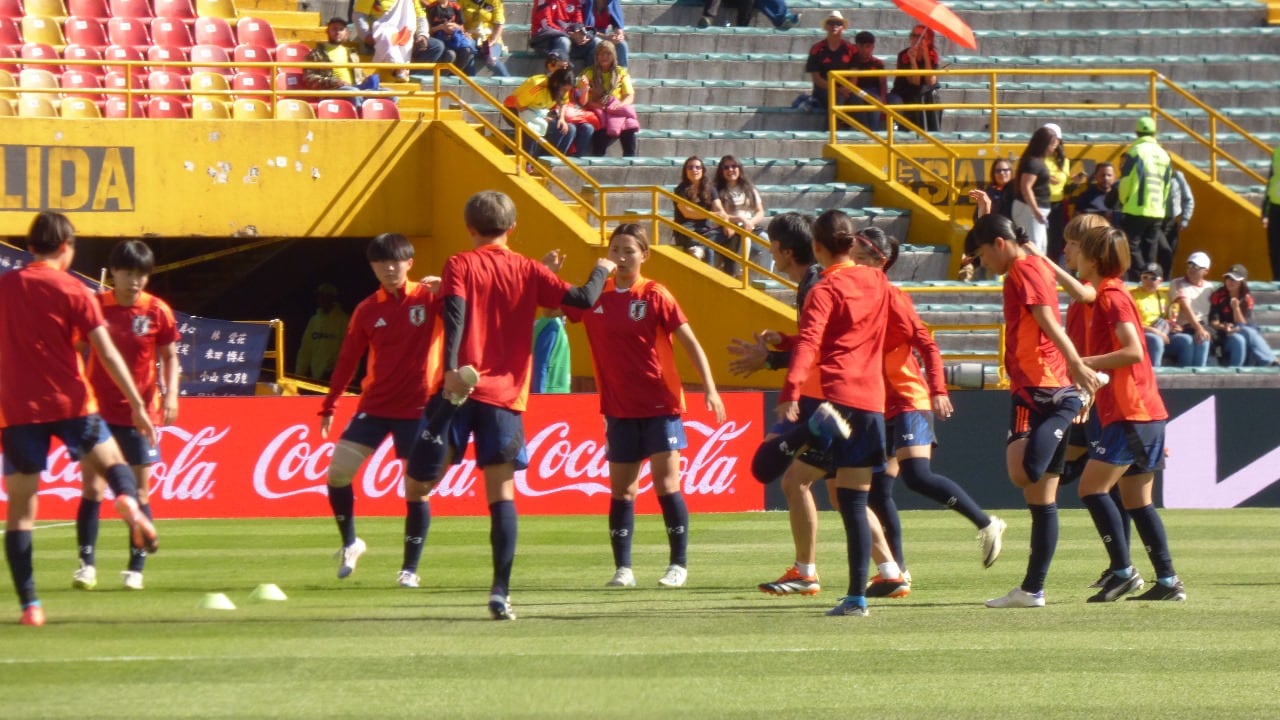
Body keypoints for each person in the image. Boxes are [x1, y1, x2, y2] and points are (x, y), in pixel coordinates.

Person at [403, 190, 615, 620]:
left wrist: (451, 371)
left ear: (469, 228)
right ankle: (500, 590)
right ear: (512, 228)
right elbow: (580, 301)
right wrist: (602, 268)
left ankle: (409, 566)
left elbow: (458, 313)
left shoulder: (460, 262)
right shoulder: (528, 268)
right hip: (503, 396)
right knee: (500, 494)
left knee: (421, 485)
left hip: (461, 386)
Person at [0, 212, 158, 627]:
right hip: (72, 402)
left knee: (20, 514)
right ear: (67, 245)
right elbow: (106, 352)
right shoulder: (76, 290)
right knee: (113, 464)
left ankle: (30, 605)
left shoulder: (5, 287)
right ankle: (125, 498)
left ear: (31, 245)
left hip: (16, 411)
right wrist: (138, 405)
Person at [562, 224, 725, 588]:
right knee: (622, 491)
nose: (621, 256)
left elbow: (690, 342)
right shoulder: (595, 295)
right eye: (615, 249)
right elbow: (550, 310)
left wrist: (711, 388)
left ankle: (677, 565)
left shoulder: (655, 294)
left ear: (644, 255)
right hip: (618, 409)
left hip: (660, 404)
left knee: (667, 486)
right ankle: (623, 569)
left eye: (629, 250)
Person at [850, 227, 1007, 596]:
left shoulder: (891, 297)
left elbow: (926, 344)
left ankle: (986, 523)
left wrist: (937, 389)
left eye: (857, 252)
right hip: (878, 403)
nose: (851, 258)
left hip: (907, 398)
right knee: (876, 491)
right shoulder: (858, 295)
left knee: (917, 476)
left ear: (877, 260)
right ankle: (898, 573)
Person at [965, 213, 1100, 608]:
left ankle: (1070, 408)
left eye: (983, 255)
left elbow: (1045, 317)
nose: (984, 264)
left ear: (1001, 244)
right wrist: (986, 211)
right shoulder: (1033, 262)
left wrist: (1074, 362)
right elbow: (1082, 295)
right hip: (1038, 383)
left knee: (1025, 474)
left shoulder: (1023, 270)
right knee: (1039, 496)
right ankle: (1032, 590)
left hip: (1041, 385)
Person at [777, 209, 892, 617]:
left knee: (811, 486)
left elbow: (810, 342)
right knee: (854, 502)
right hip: (872, 402)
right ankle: (861, 592)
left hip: (837, 402)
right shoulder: (878, 280)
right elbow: (908, 327)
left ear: (817, 247)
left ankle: (849, 587)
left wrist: (791, 389)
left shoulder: (824, 289)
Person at [319, 233, 443, 589]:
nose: (389, 268)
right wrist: (330, 404)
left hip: (419, 409)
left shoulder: (430, 296)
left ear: (410, 262)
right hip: (374, 407)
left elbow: (471, 306)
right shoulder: (366, 309)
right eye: (380, 262)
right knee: (338, 473)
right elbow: (347, 360)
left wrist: (449, 285)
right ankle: (351, 542)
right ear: (372, 266)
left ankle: (409, 568)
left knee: (416, 491)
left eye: (396, 260)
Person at [1074, 224, 1186, 602]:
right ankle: (1168, 581)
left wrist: (1081, 361)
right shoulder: (1111, 293)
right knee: (1138, 500)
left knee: (1091, 488)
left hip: (1132, 411)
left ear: (1092, 258)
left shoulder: (1111, 297)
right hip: (1139, 411)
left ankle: (1122, 571)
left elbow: (1134, 350)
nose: (1072, 257)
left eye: (1077, 250)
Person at [74, 240, 180, 593]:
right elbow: (75, 349)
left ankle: (135, 568)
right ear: (114, 272)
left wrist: (171, 395)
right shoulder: (94, 306)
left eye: (141, 275)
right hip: (95, 414)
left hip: (141, 415)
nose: (134, 281)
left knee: (140, 494)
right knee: (93, 488)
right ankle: (86, 565)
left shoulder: (156, 311)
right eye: (128, 273)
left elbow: (170, 357)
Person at [1118, 116, 1172, 281]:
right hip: (1157, 209)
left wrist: (1124, 200)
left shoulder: (1135, 152)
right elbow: (1167, 184)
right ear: (1155, 133)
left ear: (1137, 133)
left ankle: (1141, 277)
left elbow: (1126, 180)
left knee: (1132, 246)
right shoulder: (1164, 155)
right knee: (1151, 247)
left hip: (1135, 207)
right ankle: (1152, 276)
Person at [504, 64, 589, 158]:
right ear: (556, 84)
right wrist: (541, 117)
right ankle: (528, 160)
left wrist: (561, 119)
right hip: (514, 109)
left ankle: (549, 160)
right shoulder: (537, 86)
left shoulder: (562, 87)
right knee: (534, 128)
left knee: (567, 128)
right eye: (564, 90)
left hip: (537, 110)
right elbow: (519, 106)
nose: (565, 93)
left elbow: (564, 102)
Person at [304, 17, 387, 106]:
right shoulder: (316, 54)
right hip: (332, 91)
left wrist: (366, 80)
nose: (337, 32)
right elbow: (309, 79)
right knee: (353, 92)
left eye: (341, 29)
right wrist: (333, 82)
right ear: (327, 31)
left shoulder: (351, 53)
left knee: (388, 93)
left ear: (346, 33)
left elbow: (359, 75)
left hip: (355, 88)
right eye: (334, 29)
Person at [1208, 263, 1279, 367]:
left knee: (1242, 334)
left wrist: (1236, 308)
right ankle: (1270, 360)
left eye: (1234, 279)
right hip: (1224, 336)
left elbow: (1243, 323)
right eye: (1228, 278)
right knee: (1244, 334)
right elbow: (1214, 321)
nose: (1230, 282)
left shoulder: (1246, 298)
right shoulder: (1218, 295)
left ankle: (1265, 362)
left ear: (1242, 282)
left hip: (1242, 333)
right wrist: (1224, 327)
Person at [577, 40, 638, 157]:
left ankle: (630, 161)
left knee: (629, 126)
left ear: (613, 55)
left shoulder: (620, 72)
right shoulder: (588, 73)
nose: (604, 57)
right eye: (601, 54)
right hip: (597, 109)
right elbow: (582, 98)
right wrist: (598, 106)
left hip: (616, 109)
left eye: (608, 54)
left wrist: (620, 105)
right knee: (601, 127)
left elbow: (629, 95)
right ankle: (598, 159)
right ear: (596, 56)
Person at [353, 0, 437, 81]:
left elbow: (420, 17)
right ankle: (399, 69)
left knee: (436, 46)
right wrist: (366, 35)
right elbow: (359, 15)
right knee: (385, 35)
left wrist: (422, 35)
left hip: (404, 33)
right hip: (377, 34)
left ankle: (413, 77)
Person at [672, 155, 730, 270]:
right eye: (690, 167)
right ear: (685, 171)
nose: (694, 170)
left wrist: (726, 222)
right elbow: (687, 212)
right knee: (708, 248)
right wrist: (711, 215)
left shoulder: (710, 189)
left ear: (703, 170)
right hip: (687, 230)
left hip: (705, 229)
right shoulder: (680, 190)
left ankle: (733, 271)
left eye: (698, 167)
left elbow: (718, 208)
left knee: (733, 235)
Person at [1042, 123, 1087, 266]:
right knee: (1041, 242)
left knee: (1056, 242)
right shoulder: (1036, 160)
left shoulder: (1064, 162)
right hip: (1040, 205)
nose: (1051, 143)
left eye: (1054, 140)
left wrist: (1075, 183)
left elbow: (1064, 190)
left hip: (1057, 206)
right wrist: (1044, 176)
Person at [714, 154, 766, 277]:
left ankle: (765, 278)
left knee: (768, 242)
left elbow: (760, 211)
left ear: (740, 168)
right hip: (729, 227)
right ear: (721, 171)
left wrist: (751, 222)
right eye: (726, 167)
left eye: (734, 166)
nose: (730, 170)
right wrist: (740, 219)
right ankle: (742, 275)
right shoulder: (716, 190)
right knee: (745, 240)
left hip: (750, 225)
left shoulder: (749, 188)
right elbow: (719, 214)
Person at [1010, 126, 1056, 255]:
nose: (1054, 148)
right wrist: (1035, 211)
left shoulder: (1036, 162)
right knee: (1033, 248)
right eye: (1052, 145)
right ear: (1044, 144)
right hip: (1028, 210)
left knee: (1040, 247)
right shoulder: (1033, 162)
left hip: (1033, 211)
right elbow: (1026, 187)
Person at [887, 25, 939, 132]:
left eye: (920, 36)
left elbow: (930, 81)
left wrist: (925, 57)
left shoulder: (932, 55)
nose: (915, 39)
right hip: (904, 91)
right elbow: (915, 82)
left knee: (934, 101)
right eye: (913, 35)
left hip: (922, 92)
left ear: (928, 40)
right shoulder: (903, 55)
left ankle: (933, 133)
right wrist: (913, 60)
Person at [295, 283, 350, 382]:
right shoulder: (314, 320)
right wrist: (299, 374)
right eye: (319, 296)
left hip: (336, 376)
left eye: (323, 296)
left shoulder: (343, 320)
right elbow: (305, 349)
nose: (320, 299)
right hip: (316, 377)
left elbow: (350, 350)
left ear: (332, 298)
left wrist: (349, 376)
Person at [1166, 250, 1213, 368]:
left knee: (1203, 338)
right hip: (1180, 329)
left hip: (1201, 327)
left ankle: (1199, 378)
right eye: (1190, 264)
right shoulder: (1177, 283)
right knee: (1191, 339)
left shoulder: (1209, 287)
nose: (1191, 268)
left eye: (1196, 266)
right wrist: (1199, 328)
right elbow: (1185, 306)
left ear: (1205, 271)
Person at [803, 11, 855, 111]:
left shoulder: (851, 49)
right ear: (826, 27)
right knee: (836, 99)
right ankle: (830, 127)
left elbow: (855, 74)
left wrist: (846, 89)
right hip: (823, 90)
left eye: (838, 23)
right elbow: (816, 78)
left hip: (847, 89)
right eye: (831, 23)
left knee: (860, 100)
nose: (834, 26)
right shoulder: (816, 49)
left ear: (843, 28)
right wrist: (837, 90)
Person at [528, 0, 597, 67]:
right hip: (544, 41)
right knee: (564, 41)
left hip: (568, 38)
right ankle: (562, 76)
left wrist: (579, 32)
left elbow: (578, 19)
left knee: (596, 42)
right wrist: (570, 35)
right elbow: (546, 25)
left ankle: (592, 76)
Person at [1129, 262, 1171, 368]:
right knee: (1156, 340)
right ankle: (1156, 377)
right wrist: (1155, 332)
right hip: (1141, 334)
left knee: (1186, 340)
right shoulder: (1132, 296)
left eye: (1153, 278)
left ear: (1160, 281)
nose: (1148, 281)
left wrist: (1174, 326)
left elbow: (1167, 319)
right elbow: (1131, 324)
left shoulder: (1163, 297)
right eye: (1145, 277)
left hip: (1161, 332)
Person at [847, 31, 886, 132]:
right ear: (856, 46)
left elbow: (882, 83)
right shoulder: (851, 62)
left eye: (867, 46)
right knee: (870, 99)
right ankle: (868, 131)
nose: (864, 50)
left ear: (872, 47)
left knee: (884, 100)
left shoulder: (878, 63)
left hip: (874, 93)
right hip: (857, 92)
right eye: (861, 46)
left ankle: (878, 130)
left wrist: (883, 98)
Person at [460, 0, 509, 76]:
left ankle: (509, 83)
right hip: (470, 37)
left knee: (492, 61)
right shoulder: (462, 1)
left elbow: (499, 25)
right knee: (466, 52)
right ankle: (471, 82)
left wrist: (492, 41)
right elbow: (458, 21)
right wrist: (464, 33)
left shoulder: (495, 2)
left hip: (489, 38)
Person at [426, 0, 476, 74]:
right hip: (439, 39)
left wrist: (455, 26)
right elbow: (428, 31)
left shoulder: (456, 7)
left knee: (467, 50)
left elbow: (462, 28)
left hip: (454, 39)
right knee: (450, 54)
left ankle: (455, 75)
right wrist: (441, 27)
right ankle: (442, 78)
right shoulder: (431, 8)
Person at [1162, 169, 1194, 278]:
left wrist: (1185, 219)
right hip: (1154, 221)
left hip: (1171, 222)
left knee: (1168, 257)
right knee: (1156, 255)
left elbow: (1188, 199)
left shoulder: (1177, 176)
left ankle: (1166, 283)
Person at [531, 309, 571, 393]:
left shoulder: (546, 324)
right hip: (551, 393)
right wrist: (539, 397)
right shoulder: (552, 326)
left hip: (555, 392)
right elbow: (541, 363)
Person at [583, 0, 627, 67]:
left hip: (603, 33)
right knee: (597, 43)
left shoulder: (612, 2)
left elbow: (618, 24)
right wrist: (606, 37)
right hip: (588, 36)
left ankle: (622, 74)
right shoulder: (587, 2)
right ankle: (592, 75)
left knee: (622, 44)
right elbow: (586, 30)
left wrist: (619, 35)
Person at [1263, 145, 1280, 279]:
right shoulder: (1277, 152)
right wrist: (1265, 212)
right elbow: (1271, 181)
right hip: (1275, 207)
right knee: (1274, 248)